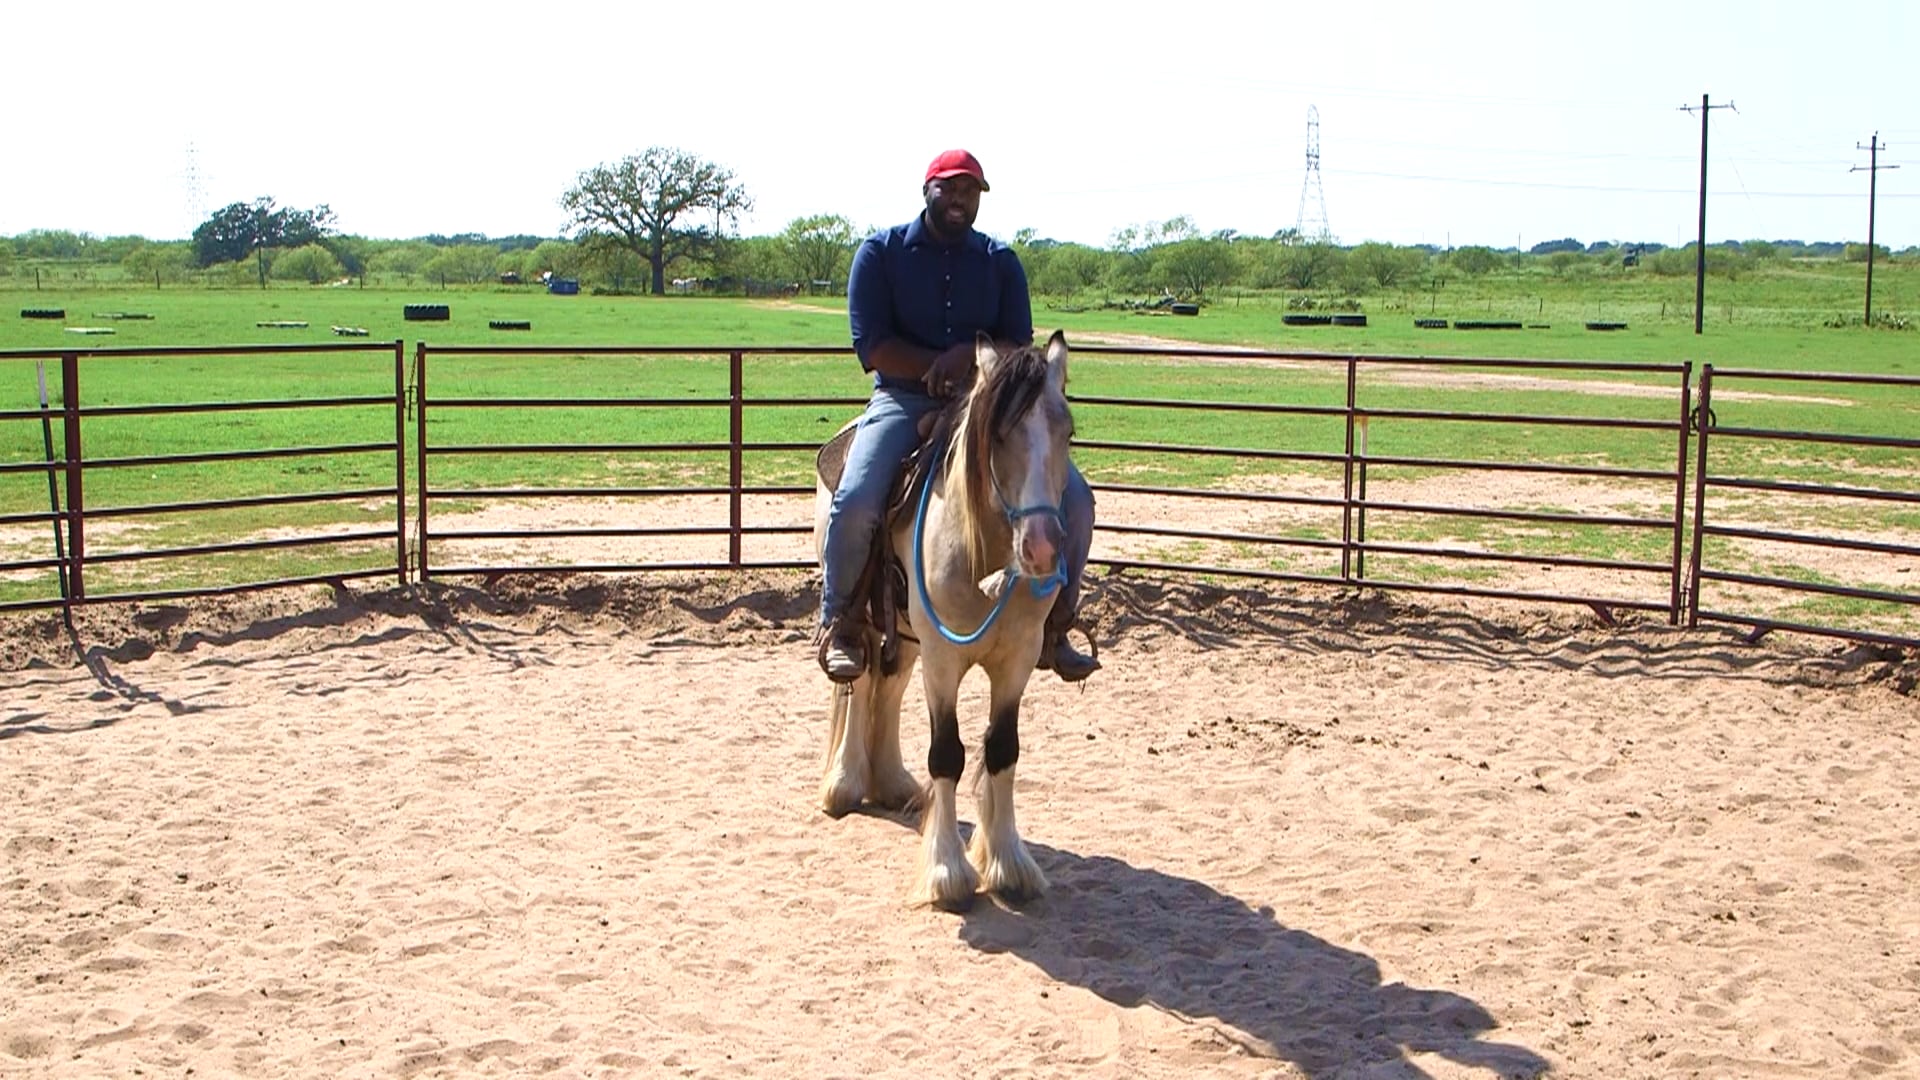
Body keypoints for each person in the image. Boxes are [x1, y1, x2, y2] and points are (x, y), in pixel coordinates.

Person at [817, 148, 1099, 684]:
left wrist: (971, 368)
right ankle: (843, 622)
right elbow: (872, 346)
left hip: (988, 404)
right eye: (948, 187)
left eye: (970, 190)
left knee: (1078, 500)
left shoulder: (999, 262)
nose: (959, 199)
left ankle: (1058, 625)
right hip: (904, 398)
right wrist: (936, 364)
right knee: (855, 499)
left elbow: (1020, 343)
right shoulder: (881, 254)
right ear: (927, 190)